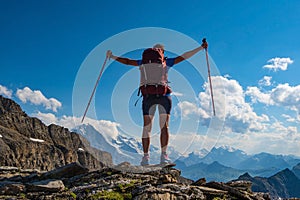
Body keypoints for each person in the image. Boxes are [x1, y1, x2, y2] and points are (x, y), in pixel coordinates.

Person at [107, 41, 208, 166]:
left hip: (148, 97)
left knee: (147, 128)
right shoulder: (166, 62)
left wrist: (112, 57)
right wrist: (200, 48)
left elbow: (127, 61)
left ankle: (145, 157)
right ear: (162, 53)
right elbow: (185, 56)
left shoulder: (143, 62)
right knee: (164, 127)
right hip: (164, 96)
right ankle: (164, 156)